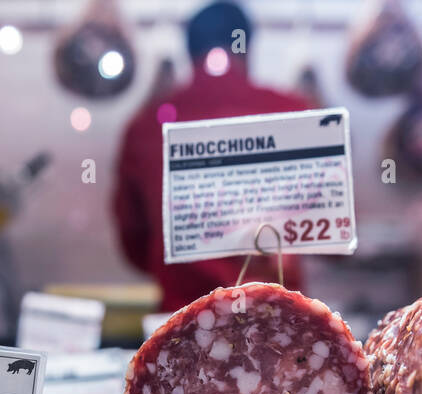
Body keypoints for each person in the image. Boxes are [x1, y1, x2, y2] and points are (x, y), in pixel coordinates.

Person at [112, 1, 319, 313]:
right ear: (247, 48)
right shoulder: (295, 112)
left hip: (182, 322)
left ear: (188, 51)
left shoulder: (149, 123)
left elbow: (132, 239)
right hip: (280, 323)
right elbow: (322, 222)